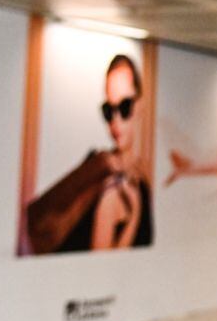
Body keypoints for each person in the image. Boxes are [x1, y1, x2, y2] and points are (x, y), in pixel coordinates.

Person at [25, 55, 153, 252]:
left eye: (125, 107)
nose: (115, 121)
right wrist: (134, 216)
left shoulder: (138, 178)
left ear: (140, 107)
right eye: (109, 111)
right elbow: (105, 268)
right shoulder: (109, 181)